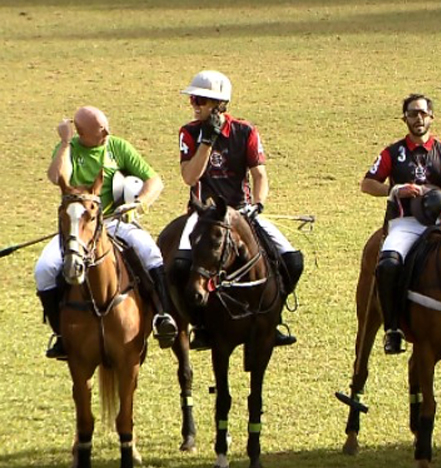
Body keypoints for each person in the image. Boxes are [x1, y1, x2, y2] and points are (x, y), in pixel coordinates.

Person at [173, 70, 304, 348]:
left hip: (242, 214)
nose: (194, 105)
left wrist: (258, 205)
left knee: (292, 261)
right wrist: (207, 141)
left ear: (219, 104)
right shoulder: (190, 133)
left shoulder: (246, 131)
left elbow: (260, 176)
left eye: (200, 100)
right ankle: (201, 325)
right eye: (193, 100)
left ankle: (273, 317)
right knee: (179, 266)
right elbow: (190, 177)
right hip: (203, 216)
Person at [35, 106, 178, 359]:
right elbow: (57, 176)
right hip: (78, 227)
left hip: (114, 222)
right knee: (45, 270)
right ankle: (61, 336)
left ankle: (162, 316)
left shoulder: (117, 147)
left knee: (151, 253)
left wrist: (140, 202)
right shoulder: (70, 149)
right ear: (82, 133)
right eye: (101, 130)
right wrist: (65, 142)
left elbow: (155, 180)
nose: (107, 132)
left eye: (106, 126)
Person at [361, 93, 441, 354]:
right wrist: (395, 189)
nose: (418, 118)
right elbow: (367, 184)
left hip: (439, 221)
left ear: (431, 117)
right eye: (412, 113)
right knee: (388, 263)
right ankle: (392, 329)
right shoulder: (392, 152)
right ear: (405, 119)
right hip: (405, 221)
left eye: (422, 113)